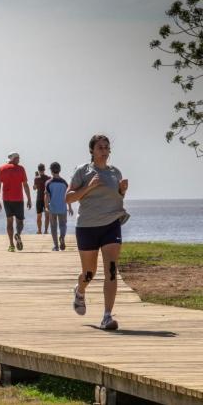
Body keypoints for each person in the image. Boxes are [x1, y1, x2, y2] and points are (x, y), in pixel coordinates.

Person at [66, 134, 129, 330]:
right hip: (87, 226)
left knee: (111, 269)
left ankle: (107, 316)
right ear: (92, 151)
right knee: (89, 272)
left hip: (111, 224)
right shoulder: (83, 171)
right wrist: (88, 186)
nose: (104, 150)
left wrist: (122, 191)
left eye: (106, 146)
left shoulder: (115, 173)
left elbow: (116, 197)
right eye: (100, 147)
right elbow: (69, 198)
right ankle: (80, 290)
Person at [0, 152, 32, 252]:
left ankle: (11, 245)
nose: (19, 160)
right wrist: (29, 199)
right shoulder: (21, 169)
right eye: (18, 158)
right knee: (20, 222)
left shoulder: (2, 169)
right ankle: (18, 234)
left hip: (7, 199)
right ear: (14, 158)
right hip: (18, 199)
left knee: (9, 221)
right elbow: (25, 185)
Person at [44, 162, 73, 251]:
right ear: (59, 170)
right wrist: (70, 207)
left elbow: (47, 195)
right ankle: (62, 237)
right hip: (63, 208)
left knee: (53, 227)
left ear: (51, 171)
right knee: (63, 225)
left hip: (53, 207)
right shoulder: (64, 183)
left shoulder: (48, 182)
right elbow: (68, 196)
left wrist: (46, 206)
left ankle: (56, 246)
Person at [33, 163, 50, 234]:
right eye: (42, 170)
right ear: (44, 169)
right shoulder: (48, 178)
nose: (41, 171)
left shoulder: (37, 178)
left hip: (40, 198)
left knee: (41, 215)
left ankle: (41, 230)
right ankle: (43, 230)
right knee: (45, 216)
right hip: (44, 199)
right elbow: (35, 188)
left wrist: (36, 181)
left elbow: (34, 188)